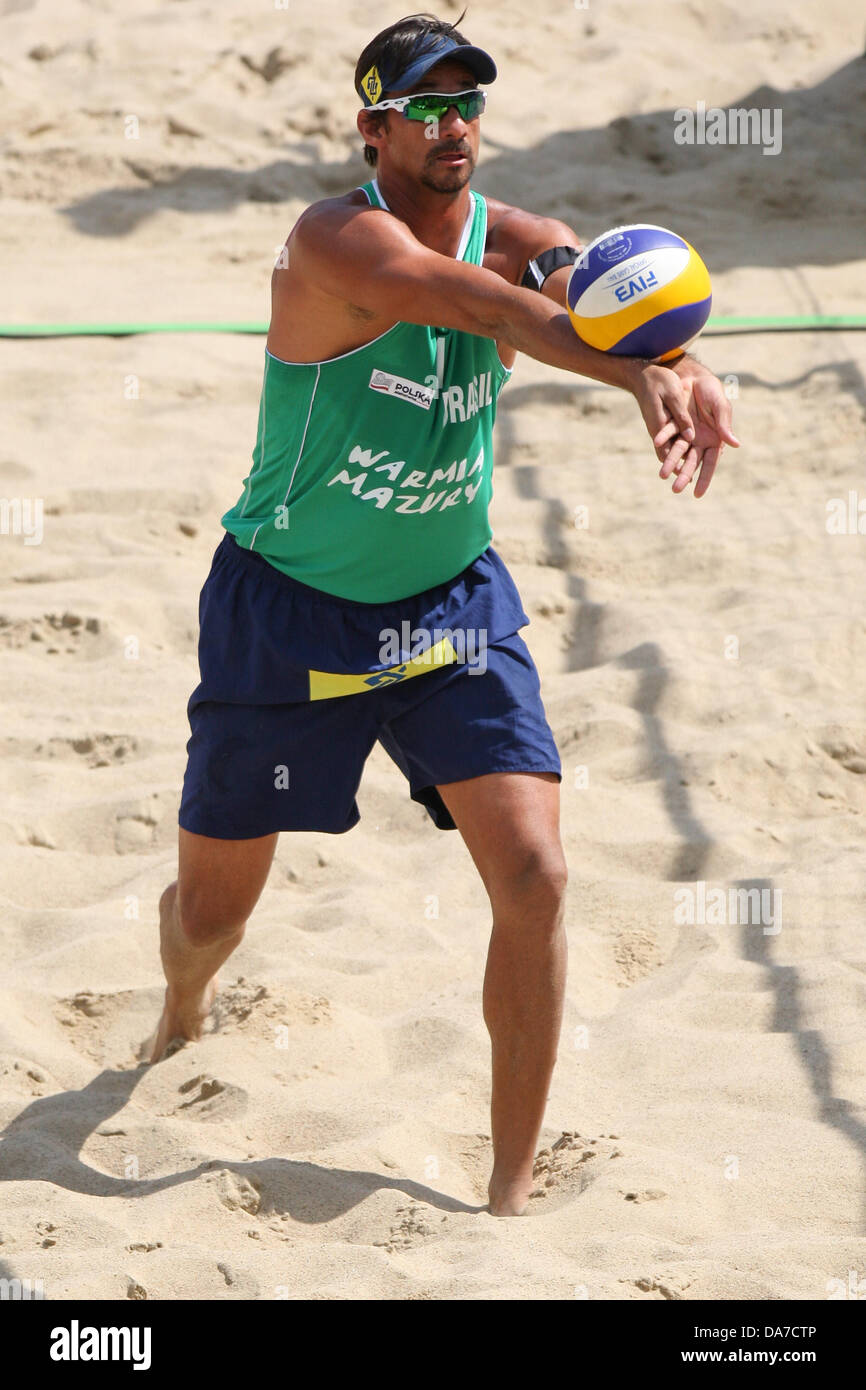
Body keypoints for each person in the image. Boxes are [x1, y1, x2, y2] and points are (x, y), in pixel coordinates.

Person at [149, 10, 739, 1218]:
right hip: (286, 608)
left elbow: (584, 283)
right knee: (214, 911)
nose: (451, 124)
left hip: (448, 611)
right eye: (422, 107)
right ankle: (181, 1007)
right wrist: (634, 376)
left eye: (465, 102)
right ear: (372, 129)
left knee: (533, 875)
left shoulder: (516, 235)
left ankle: (510, 1193)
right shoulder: (337, 240)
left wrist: (682, 356)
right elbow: (486, 311)